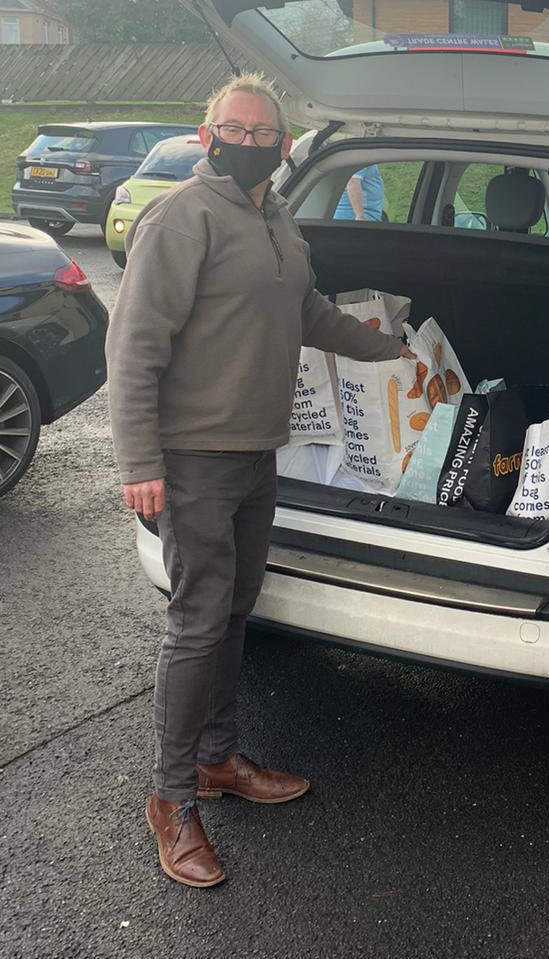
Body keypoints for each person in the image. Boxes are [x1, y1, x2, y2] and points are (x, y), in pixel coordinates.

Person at [107, 74, 413, 888]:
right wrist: (139, 461)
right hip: (195, 456)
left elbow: (307, 311)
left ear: (283, 146)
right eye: (233, 128)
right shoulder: (180, 217)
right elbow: (134, 346)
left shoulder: (277, 217)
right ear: (207, 133)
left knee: (237, 609)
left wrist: (393, 350)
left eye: (262, 131)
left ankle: (216, 760)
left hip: (255, 453)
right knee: (198, 622)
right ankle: (172, 801)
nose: (248, 141)